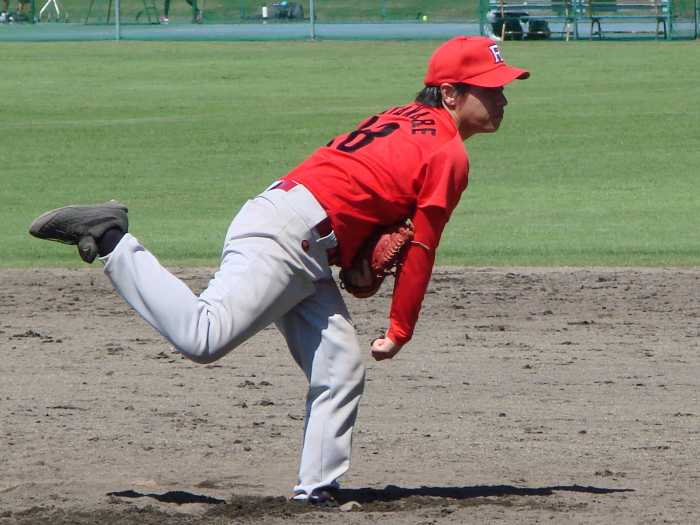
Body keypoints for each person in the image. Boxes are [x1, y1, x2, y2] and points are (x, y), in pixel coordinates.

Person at [29, 36, 529, 503]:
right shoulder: (447, 152)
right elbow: (421, 246)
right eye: (490, 89)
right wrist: (399, 329)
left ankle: (316, 492)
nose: (503, 99)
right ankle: (112, 237)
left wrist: (354, 253)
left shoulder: (402, 117)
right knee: (204, 337)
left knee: (340, 368)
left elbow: (362, 188)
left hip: (299, 232)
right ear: (450, 93)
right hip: (288, 237)